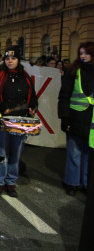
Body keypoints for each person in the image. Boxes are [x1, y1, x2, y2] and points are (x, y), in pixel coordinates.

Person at [0, 46, 38, 197]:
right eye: (8, 58)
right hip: (0, 122)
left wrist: (33, 107)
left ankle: (11, 181)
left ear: (18, 60)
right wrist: (1, 106)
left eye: (13, 59)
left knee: (15, 153)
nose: (10, 61)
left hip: (20, 122)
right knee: (1, 153)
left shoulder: (26, 77)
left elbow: (33, 97)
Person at [58, 42, 94, 196]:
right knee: (74, 153)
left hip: (91, 122)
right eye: (81, 53)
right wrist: (64, 119)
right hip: (75, 119)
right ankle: (72, 183)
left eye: (86, 53)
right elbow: (64, 97)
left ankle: (86, 184)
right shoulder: (73, 72)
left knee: (88, 155)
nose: (82, 56)